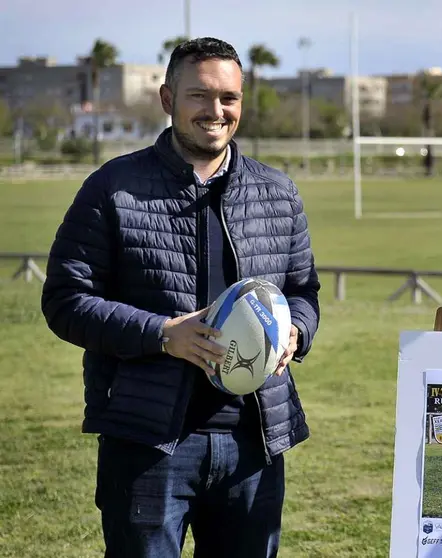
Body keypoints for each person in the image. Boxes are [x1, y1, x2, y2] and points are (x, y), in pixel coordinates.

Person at [40, 37, 320, 558]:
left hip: (252, 444)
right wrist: (163, 334)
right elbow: (65, 299)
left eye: (229, 98)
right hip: (148, 444)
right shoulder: (113, 188)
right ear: (168, 100)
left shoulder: (277, 192)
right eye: (200, 96)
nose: (216, 111)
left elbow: (303, 291)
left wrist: (296, 332)